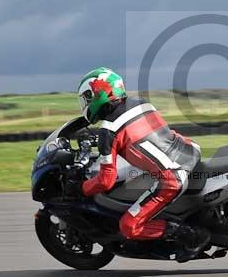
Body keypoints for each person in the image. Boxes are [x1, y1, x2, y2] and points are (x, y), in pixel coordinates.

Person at [77, 67, 209, 261]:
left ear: (100, 94)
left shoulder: (108, 130)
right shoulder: (140, 103)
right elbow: (149, 139)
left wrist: (82, 188)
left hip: (172, 179)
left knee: (129, 226)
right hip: (190, 151)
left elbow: (106, 181)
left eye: (87, 98)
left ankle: (190, 235)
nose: (86, 104)